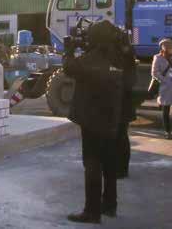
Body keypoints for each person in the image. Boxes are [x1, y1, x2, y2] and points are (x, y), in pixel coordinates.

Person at [64, 20, 123, 224]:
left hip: (92, 120)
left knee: (92, 164)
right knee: (109, 165)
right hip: (112, 119)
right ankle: (110, 205)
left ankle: (92, 211)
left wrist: (69, 50)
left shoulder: (91, 59)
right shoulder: (118, 57)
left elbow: (69, 68)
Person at [113, 32, 137, 179]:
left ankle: (118, 170)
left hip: (117, 105)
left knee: (117, 138)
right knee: (122, 137)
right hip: (125, 105)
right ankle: (123, 170)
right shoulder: (129, 56)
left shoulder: (117, 57)